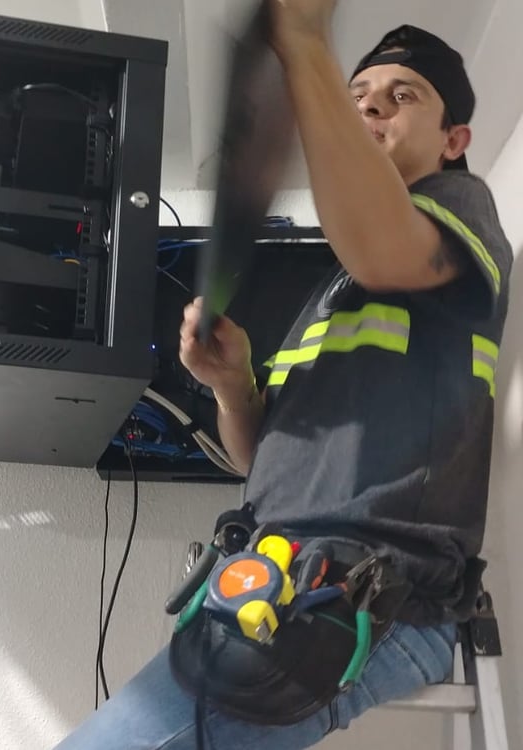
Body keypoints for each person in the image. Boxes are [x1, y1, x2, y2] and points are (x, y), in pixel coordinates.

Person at [53, 1, 513, 748]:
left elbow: (378, 242)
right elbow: (256, 461)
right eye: (359, 95)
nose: (372, 106)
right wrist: (234, 385)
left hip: (374, 596)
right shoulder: (332, 294)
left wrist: (303, 42)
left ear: (454, 139)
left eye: (403, 96)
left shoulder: (463, 207)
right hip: (284, 585)